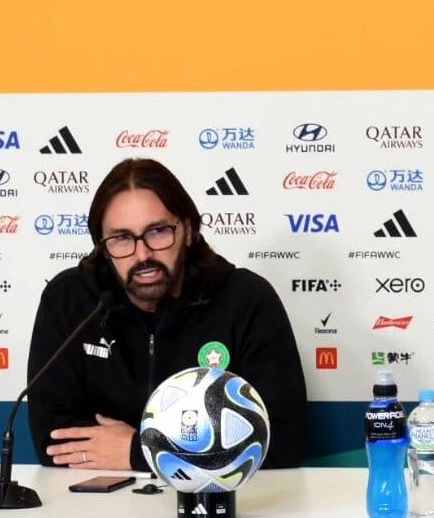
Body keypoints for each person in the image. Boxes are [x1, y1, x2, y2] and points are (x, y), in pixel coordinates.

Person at [27, 158, 308, 472]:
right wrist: (197, 450)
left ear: (188, 230)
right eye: (122, 238)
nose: (143, 255)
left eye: (158, 231)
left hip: (221, 505)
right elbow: (56, 441)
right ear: (102, 248)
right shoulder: (70, 301)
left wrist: (141, 452)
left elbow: (284, 441)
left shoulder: (248, 300)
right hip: (100, 505)